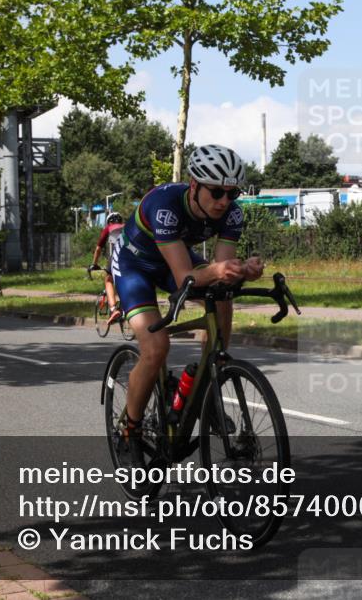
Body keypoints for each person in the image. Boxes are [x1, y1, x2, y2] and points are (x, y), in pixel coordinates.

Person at [112, 144, 263, 465]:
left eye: (232, 193)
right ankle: (131, 428)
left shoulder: (232, 213)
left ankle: (212, 374)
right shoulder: (164, 206)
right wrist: (222, 270)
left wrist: (241, 273)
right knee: (156, 348)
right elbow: (184, 277)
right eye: (217, 192)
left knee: (221, 296)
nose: (224, 201)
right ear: (194, 186)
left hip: (171, 260)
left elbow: (220, 274)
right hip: (134, 265)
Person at [92, 211, 124, 325]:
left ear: (109, 222)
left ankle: (113, 309)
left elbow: (98, 249)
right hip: (133, 257)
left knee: (109, 280)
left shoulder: (108, 229)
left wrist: (94, 264)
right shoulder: (127, 227)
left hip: (118, 256)